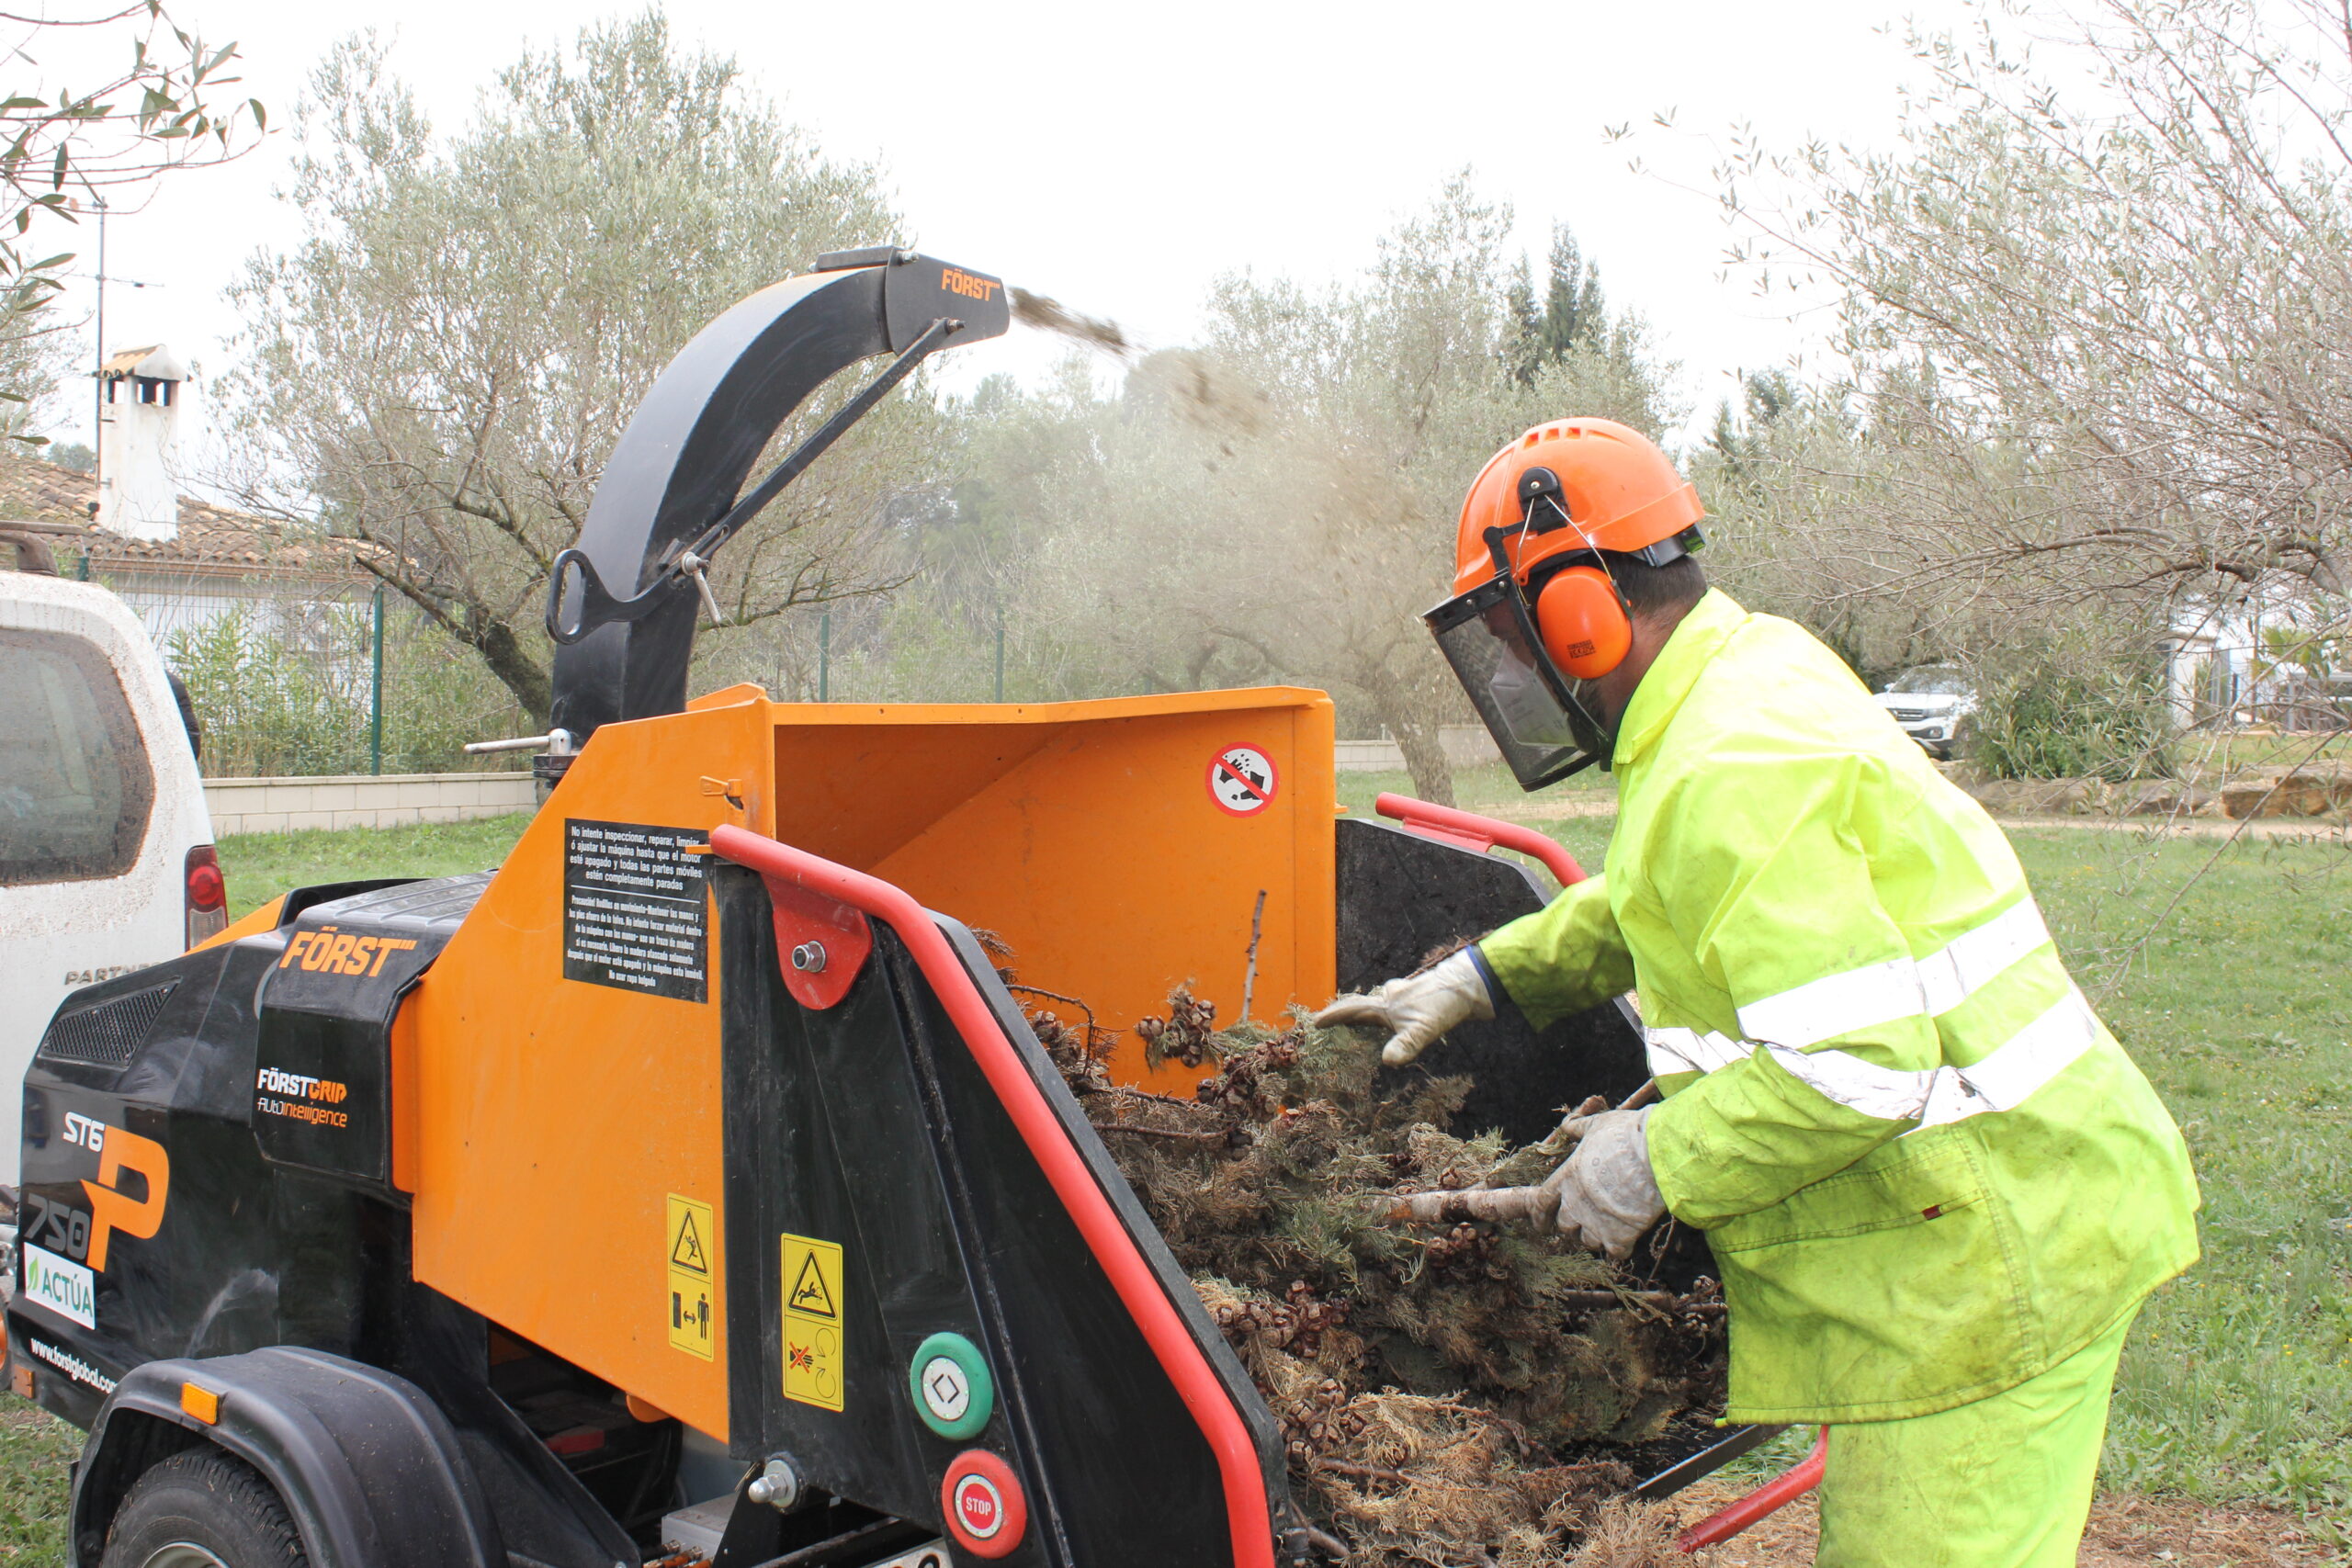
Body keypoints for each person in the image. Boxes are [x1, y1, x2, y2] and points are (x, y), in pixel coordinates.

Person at [1317, 418, 2200, 1568]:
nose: (1516, 666)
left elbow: (1857, 1071)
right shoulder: (1739, 674)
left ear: (1579, 611)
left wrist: (1654, 1161)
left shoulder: (1733, 759)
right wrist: (1480, 975)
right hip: (1995, 1222)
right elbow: (1661, 892)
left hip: (1989, 1272)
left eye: (1512, 632)